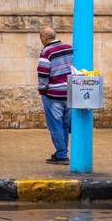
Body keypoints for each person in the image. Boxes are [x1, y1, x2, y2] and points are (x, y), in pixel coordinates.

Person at [37, 26, 75, 165]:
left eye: (40, 37)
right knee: (64, 124)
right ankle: (62, 152)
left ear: (44, 38)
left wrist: (42, 91)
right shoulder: (69, 48)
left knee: (55, 125)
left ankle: (61, 155)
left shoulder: (46, 52)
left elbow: (43, 75)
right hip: (70, 93)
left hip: (53, 95)